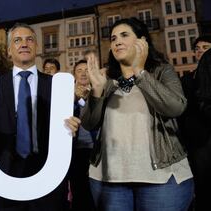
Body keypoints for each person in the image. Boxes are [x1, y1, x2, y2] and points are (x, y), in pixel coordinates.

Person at [81, 18, 194, 211]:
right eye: (113, 38)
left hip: (162, 179)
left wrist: (140, 72)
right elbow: (89, 123)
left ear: (142, 42)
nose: (117, 41)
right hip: (109, 180)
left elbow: (175, 107)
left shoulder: (161, 71)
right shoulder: (105, 79)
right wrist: (97, 91)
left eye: (125, 35)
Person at [0, 23, 80, 211]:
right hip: (3, 176)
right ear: (9, 50)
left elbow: (66, 130)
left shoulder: (56, 86)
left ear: (36, 47)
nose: (24, 44)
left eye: (29, 39)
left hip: (48, 177)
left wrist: (71, 128)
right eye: (17, 40)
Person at [179, 46, 211, 210]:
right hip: (198, 140)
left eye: (206, 48)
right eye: (197, 48)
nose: (201, 51)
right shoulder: (187, 80)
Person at [67, 59, 96, 211]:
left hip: (96, 150)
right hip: (76, 151)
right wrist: (75, 98)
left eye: (87, 70)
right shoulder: (67, 96)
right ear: (74, 75)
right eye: (79, 70)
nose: (84, 73)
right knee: (79, 193)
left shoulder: (99, 92)